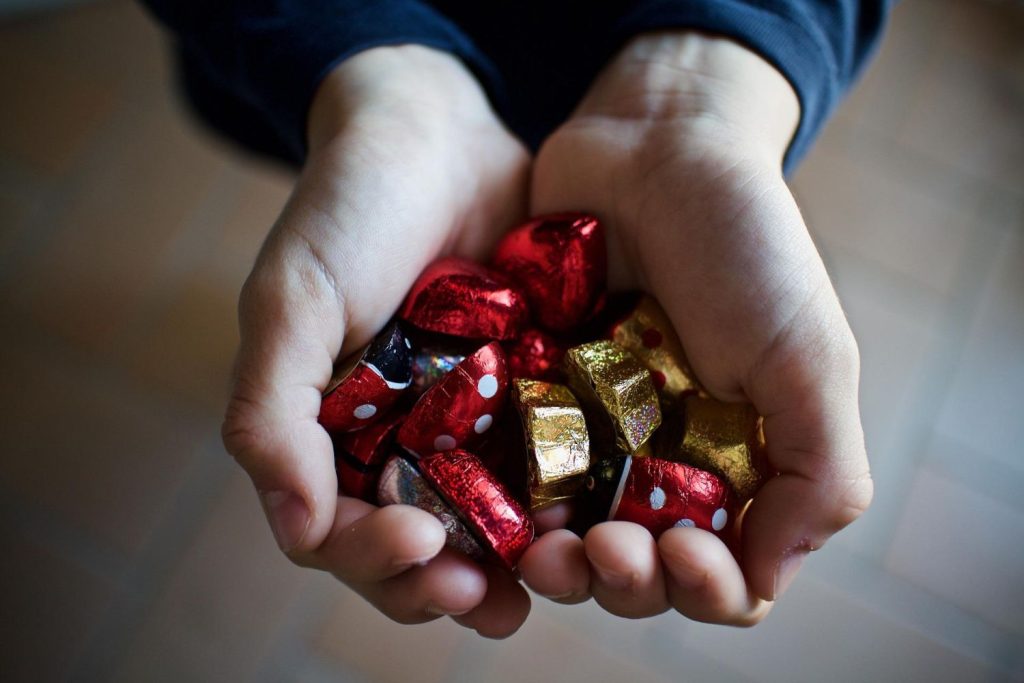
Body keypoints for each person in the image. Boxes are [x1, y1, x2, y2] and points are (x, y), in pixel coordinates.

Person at [143, 1, 885, 637]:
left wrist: (716, 73)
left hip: (614, 66)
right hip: (342, 61)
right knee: (333, 286)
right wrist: (363, 60)